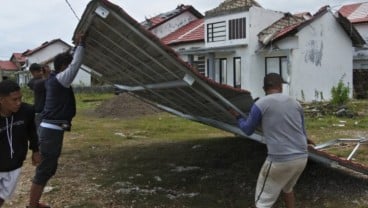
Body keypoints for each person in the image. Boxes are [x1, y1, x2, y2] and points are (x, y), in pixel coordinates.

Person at [229, 73, 314, 208]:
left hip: (279, 161)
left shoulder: (261, 104)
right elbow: (302, 131)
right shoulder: (296, 103)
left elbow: (247, 130)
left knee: (262, 202)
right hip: (301, 158)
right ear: (281, 86)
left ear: (264, 88)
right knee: (288, 188)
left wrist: (238, 117)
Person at [27, 33, 86, 208]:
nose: (71, 72)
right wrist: (81, 45)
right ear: (63, 67)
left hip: (51, 130)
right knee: (45, 170)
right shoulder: (60, 79)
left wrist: (75, 49)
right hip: (51, 132)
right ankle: (32, 205)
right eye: (67, 67)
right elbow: (75, 65)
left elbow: (71, 62)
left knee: (48, 168)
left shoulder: (54, 78)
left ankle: (34, 203)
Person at [0, 80, 40, 207]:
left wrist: (35, 150)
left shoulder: (26, 111)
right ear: (1, 100)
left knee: (3, 196)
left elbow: (32, 130)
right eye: (14, 99)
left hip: (15, 164)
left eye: (20, 98)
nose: (19, 103)